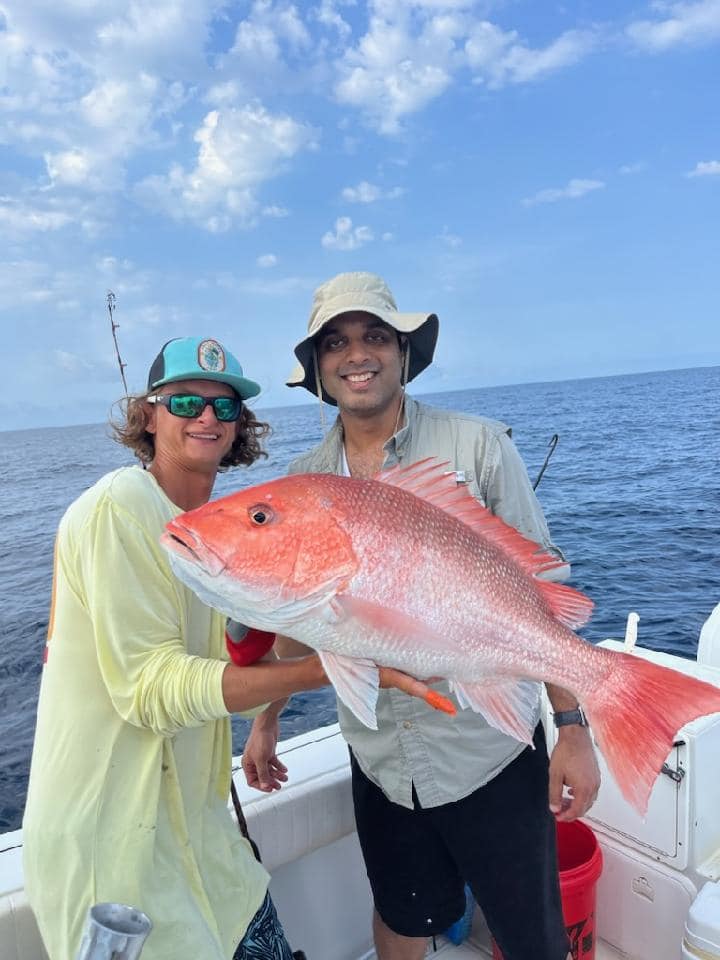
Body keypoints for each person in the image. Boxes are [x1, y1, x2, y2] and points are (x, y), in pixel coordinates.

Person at [241, 273, 602, 960]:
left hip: (488, 753)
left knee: (534, 938)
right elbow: (298, 611)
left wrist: (573, 725)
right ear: (318, 368)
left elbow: (540, 591)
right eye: (336, 342)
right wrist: (267, 718)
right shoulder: (302, 482)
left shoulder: (477, 447)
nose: (358, 354)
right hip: (380, 759)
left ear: (403, 353)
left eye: (376, 335)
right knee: (404, 918)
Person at [24, 337, 330, 960]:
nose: (207, 417)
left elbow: (233, 673)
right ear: (148, 415)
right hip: (111, 851)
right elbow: (151, 691)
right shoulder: (119, 508)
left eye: (226, 407)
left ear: (241, 424)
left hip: (202, 833)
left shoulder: (219, 536)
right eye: (185, 401)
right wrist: (324, 672)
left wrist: (271, 710)